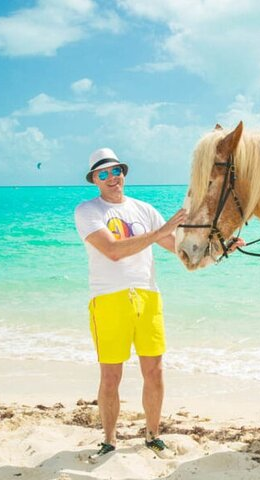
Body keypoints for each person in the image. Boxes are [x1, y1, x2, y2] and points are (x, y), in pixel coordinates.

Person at [74, 147, 187, 460]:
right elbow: (112, 250)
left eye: (116, 171)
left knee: (155, 372)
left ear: (123, 173)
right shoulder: (88, 211)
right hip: (109, 300)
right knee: (111, 376)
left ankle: (153, 436)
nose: (112, 178)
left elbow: (176, 246)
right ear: (94, 179)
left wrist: (221, 246)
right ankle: (109, 440)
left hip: (148, 296)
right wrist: (160, 231)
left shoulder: (144, 209)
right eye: (103, 173)